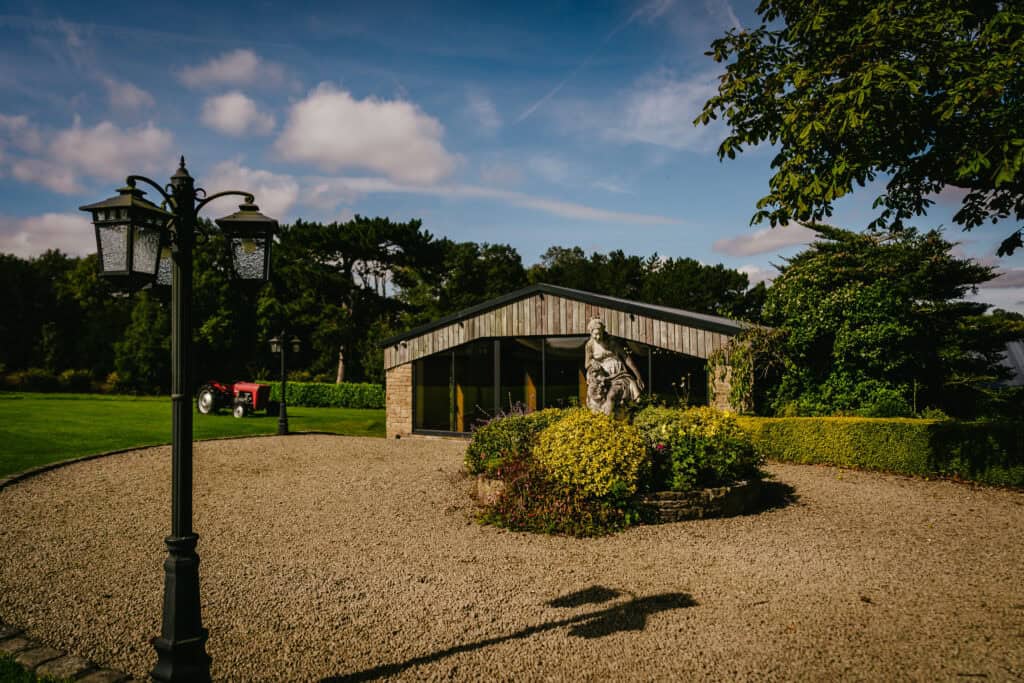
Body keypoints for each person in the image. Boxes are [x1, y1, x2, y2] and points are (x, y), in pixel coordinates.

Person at [584, 316, 645, 414]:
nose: (598, 337)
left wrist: (638, 376)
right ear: (591, 333)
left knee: (611, 396)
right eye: (595, 334)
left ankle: (608, 419)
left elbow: (627, 359)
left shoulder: (612, 342)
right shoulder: (589, 345)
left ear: (603, 331)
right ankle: (602, 419)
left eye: (600, 334)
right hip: (602, 376)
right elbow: (586, 364)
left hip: (618, 374)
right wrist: (592, 363)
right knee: (597, 399)